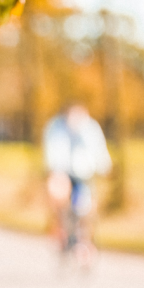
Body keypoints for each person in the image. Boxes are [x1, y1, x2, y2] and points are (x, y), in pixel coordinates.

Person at [42, 104, 111, 267]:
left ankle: (84, 241)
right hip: (62, 172)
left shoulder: (90, 128)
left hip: (83, 174)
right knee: (58, 197)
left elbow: (99, 150)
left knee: (84, 208)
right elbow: (52, 151)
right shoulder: (56, 127)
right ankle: (60, 230)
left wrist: (105, 167)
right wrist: (54, 171)